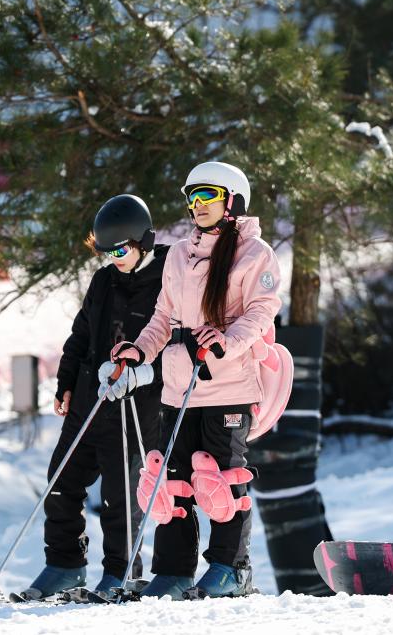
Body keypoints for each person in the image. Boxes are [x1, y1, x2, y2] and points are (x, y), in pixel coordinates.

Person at [109, 161, 281, 599]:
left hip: (229, 384)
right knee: (174, 480)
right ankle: (173, 571)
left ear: (232, 201)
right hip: (178, 384)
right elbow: (163, 318)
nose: (197, 205)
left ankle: (230, 567)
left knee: (221, 479)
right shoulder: (180, 254)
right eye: (192, 197)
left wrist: (227, 340)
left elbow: (262, 311)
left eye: (208, 195)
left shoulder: (254, 252)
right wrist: (139, 350)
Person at [22, 194, 167, 600]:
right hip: (90, 401)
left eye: (122, 249)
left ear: (144, 241)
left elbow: (173, 344)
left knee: (120, 497)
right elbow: (81, 334)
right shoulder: (103, 281)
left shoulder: (167, 281)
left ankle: (120, 572)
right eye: (108, 252)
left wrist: (142, 375)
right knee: (61, 482)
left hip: (134, 408)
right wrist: (66, 381)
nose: (115, 258)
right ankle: (64, 565)